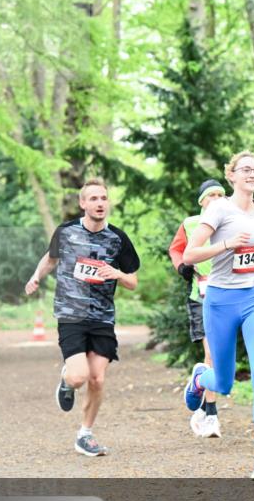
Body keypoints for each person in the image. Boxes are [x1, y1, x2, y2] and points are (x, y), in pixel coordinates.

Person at [181, 151, 254, 482]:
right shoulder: (218, 208)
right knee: (224, 383)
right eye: (245, 170)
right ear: (231, 176)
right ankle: (201, 379)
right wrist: (225, 244)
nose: (252, 174)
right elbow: (190, 254)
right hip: (221, 301)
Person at [25, 177, 140, 457]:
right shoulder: (65, 232)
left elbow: (133, 282)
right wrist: (36, 276)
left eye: (103, 198)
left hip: (102, 318)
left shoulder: (118, 238)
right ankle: (67, 381)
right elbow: (50, 260)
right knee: (79, 377)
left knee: (98, 379)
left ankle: (85, 434)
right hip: (71, 314)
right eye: (93, 199)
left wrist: (117, 274)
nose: (99, 203)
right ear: (82, 203)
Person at [168, 179, 226, 438]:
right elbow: (176, 249)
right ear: (202, 201)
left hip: (227, 295)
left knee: (216, 357)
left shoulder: (230, 222)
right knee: (211, 352)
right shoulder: (191, 224)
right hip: (200, 297)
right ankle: (211, 413)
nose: (215, 198)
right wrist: (181, 266)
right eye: (210, 195)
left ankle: (201, 398)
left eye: (220, 194)